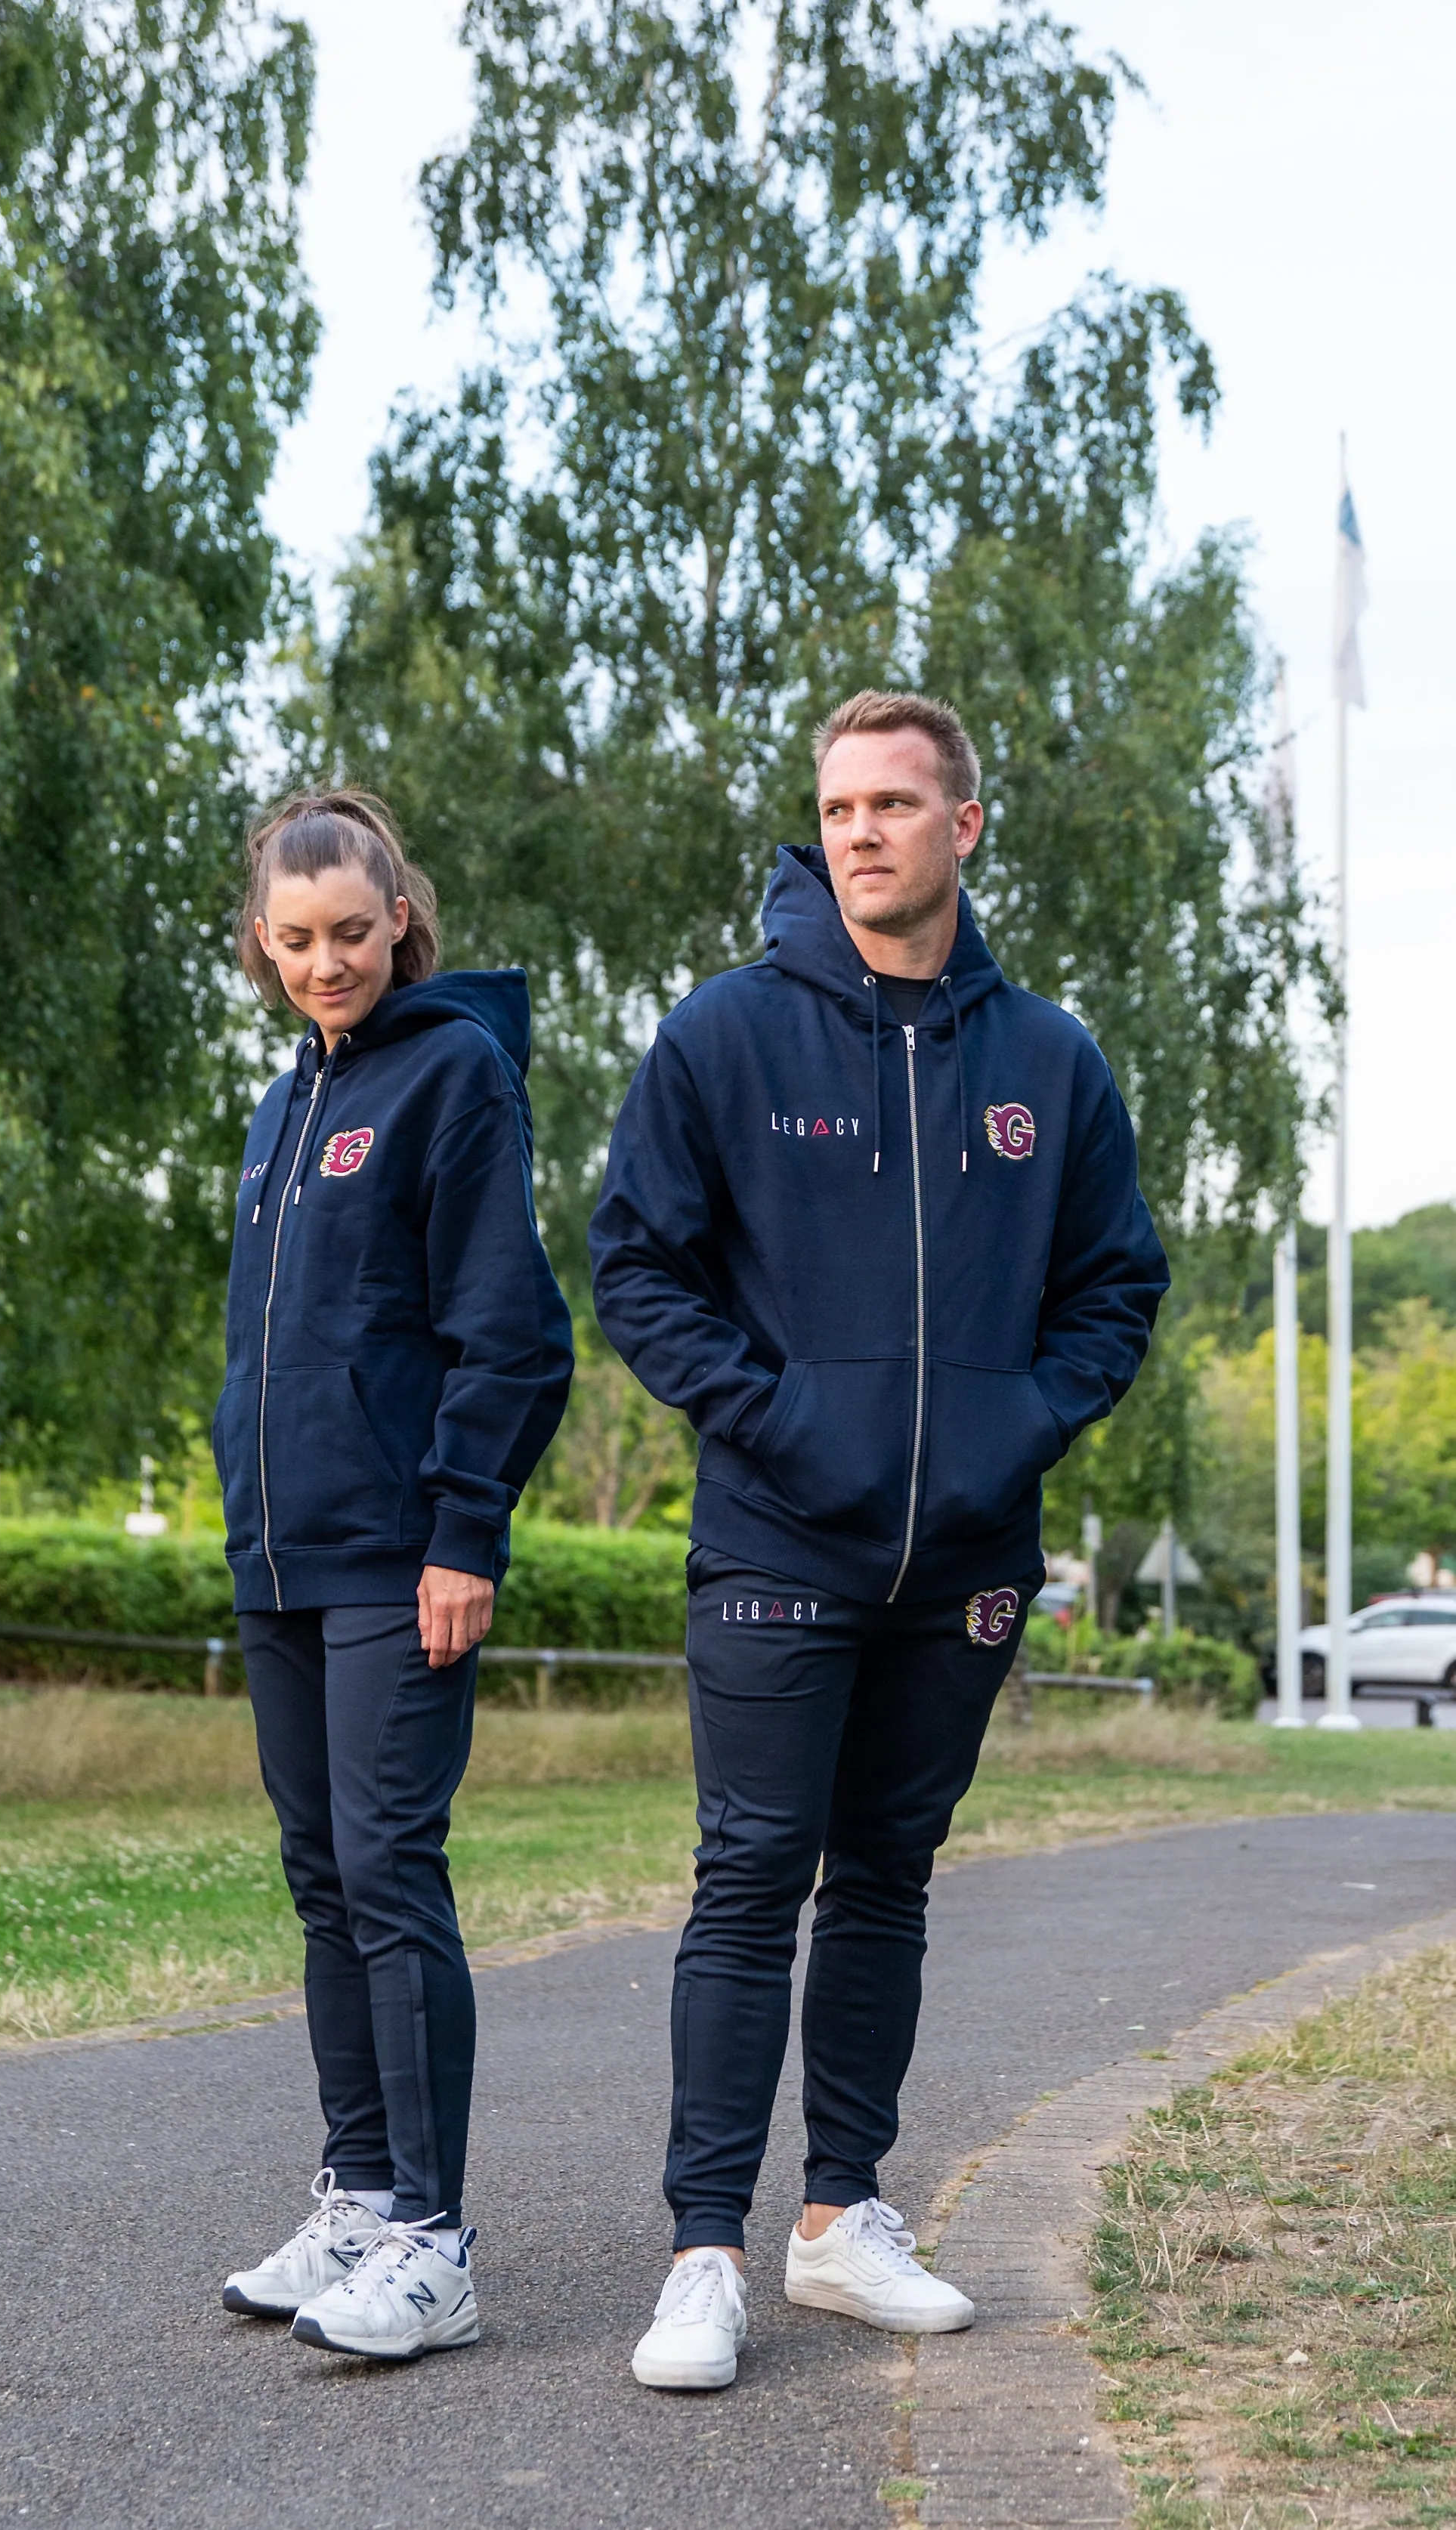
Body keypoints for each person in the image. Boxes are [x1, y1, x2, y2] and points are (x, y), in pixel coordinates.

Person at [589, 691, 1169, 2391]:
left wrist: (1011, 1428)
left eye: (893, 805)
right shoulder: (725, 1037)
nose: (858, 832)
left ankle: (840, 2222)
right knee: (748, 1879)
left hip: (965, 1561)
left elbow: (1114, 1286)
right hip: (779, 1535)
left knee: (888, 1882)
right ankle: (702, 2255)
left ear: (962, 826)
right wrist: (781, 1417)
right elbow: (637, 1268)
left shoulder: (1045, 1061)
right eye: (836, 807)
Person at [215, 789, 573, 2361]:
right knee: (320, 1881)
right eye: (293, 940)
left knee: (388, 1872)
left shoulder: (456, 1077)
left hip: (395, 1557)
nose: (324, 963)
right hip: (281, 1556)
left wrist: (461, 1532)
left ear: (400, 918)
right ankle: (356, 2192)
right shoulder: (284, 1102)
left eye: (350, 933)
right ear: (263, 941)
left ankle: (432, 2236)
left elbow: (512, 1335)